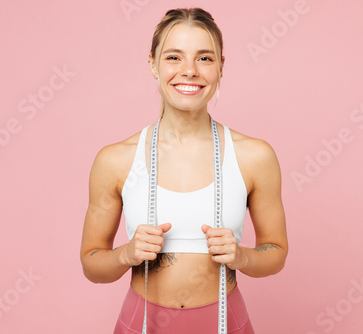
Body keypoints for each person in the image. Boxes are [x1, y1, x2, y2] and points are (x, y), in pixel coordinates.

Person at [80, 8, 288, 334]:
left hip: (226, 322)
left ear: (221, 66)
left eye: (204, 59)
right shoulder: (116, 160)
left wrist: (243, 257)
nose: (189, 71)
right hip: (141, 323)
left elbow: (275, 252)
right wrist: (126, 254)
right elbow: (92, 264)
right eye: (174, 57)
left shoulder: (254, 157)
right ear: (153, 64)